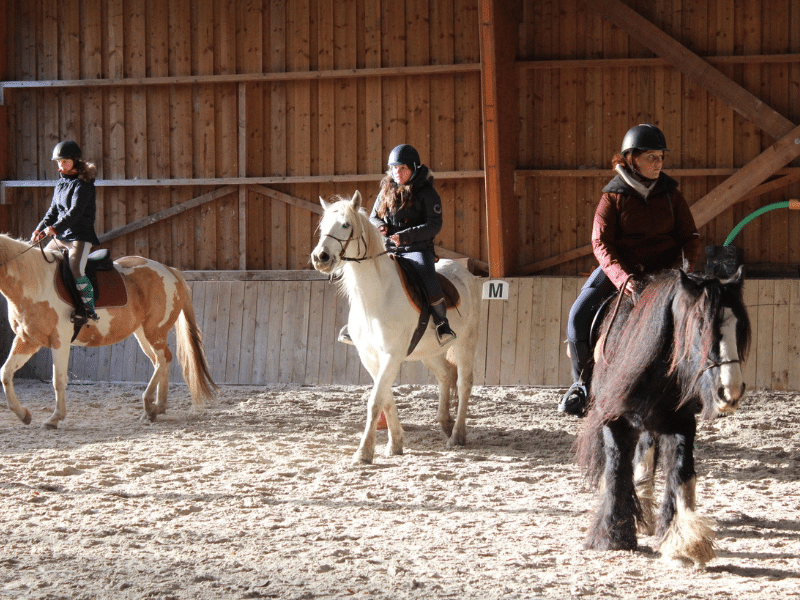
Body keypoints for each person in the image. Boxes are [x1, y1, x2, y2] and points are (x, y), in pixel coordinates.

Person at [559, 124, 700, 417]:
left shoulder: (672, 195)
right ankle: (582, 386)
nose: (658, 162)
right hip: (621, 271)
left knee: (702, 315)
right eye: (651, 157)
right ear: (632, 158)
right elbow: (600, 242)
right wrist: (623, 278)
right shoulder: (612, 196)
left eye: (661, 157)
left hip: (665, 274)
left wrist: (679, 273)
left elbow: (690, 238)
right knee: (577, 316)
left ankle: (693, 384)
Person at [338, 144, 455, 346]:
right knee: (365, 276)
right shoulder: (386, 190)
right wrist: (381, 226)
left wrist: (406, 236)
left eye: (403, 168)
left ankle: (441, 323)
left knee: (428, 277)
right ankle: (355, 326)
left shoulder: (427, 193)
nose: (397, 173)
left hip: (416, 250)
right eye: (394, 168)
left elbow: (434, 225)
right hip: (389, 249)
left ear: (414, 169)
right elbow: (373, 217)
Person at [31, 140, 101, 320]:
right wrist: (39, 229)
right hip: (61, 236)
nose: (60, 166)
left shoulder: (83, 185)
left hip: (80, 236)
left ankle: (88, 309)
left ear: (75, 161)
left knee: (76, 268)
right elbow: (52, 211)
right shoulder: (61, 184)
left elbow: (75, 212)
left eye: (65, 162)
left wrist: (54, 228)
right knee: (42, 260)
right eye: (59, 163)